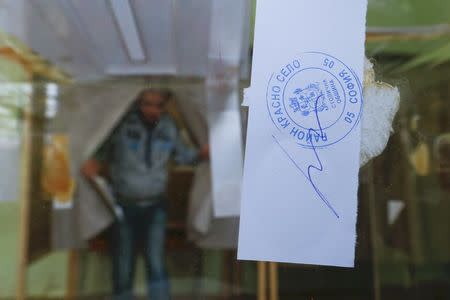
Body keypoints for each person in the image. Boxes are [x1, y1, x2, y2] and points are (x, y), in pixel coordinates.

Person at [82, 88, 209, 300]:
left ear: (165, 103)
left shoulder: (169, 126)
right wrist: (91, 162)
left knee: (156, 262)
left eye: (158, 105)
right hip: (123, 206)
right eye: (147, 104)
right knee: (123, 265)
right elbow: (100, 152)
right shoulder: (120, 123)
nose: (152, 109)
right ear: (138, 102)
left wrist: (203, 154)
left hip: (155, 206)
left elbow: (184, 156)